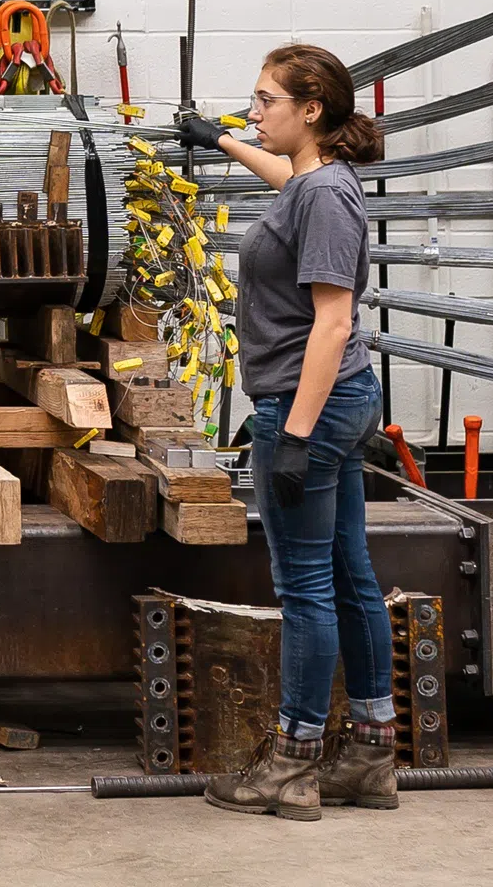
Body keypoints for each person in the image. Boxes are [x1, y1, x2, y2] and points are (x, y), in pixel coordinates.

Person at [177, 43, 394, 817]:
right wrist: (220, 141)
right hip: (334, 402)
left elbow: (333, 323)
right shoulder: (312, 182)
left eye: (266, 100)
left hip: (312, 404)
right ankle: (370, 754)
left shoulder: (330, 197)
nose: (255, 108)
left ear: (311, 110)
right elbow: (288, 184)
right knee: (348, 577)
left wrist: (296, 435)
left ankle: (292, 766)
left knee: (305, 590)